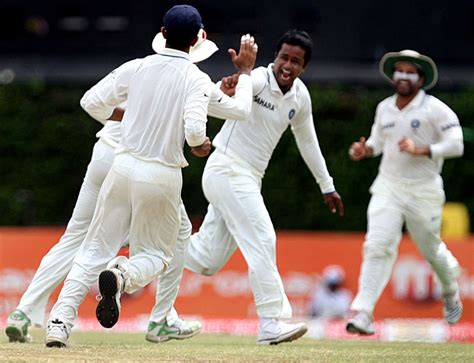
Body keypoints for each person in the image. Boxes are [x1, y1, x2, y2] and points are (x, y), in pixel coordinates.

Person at [5, 20, 257, 345]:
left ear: (163, 34)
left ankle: (48, 318)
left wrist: (130, 115)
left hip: (113, 162)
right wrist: (247, 76)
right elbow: (212, 121)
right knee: (159, 249)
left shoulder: (139, 67)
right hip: (157, 173)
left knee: (84, 243)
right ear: (197, 41)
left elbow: (91, 102)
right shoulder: (195, 79)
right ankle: (143, 298)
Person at [150, 29, 344, 346]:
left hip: (248, 178)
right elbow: (208, 103)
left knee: (206, 259)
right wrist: (223, 87)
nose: (287, 65)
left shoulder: (300, 97)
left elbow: (309, 143)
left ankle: (145, 250)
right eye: (284, 57)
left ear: (303, 67)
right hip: (226, 169)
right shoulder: (254, 80)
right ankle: (271, 322)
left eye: (296, 61)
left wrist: (327, 186)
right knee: (263, 237)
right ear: (275, 57)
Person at [346, 49, 464, 335]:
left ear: (421, 78)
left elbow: (457, 144)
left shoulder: (435, 109)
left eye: (410, 71)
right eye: (399, 70)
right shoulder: (384, 108)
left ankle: (449, 287)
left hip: (423, 191)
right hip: (388, 186)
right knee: (377, 245)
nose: (403, 76)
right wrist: (365, 150)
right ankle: (363, 313)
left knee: (431, 250)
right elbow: (377, 141)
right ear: (392, 76)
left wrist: (422, 150)